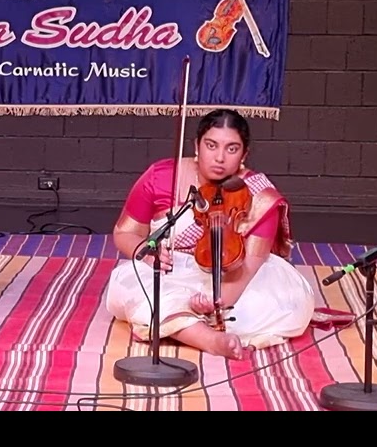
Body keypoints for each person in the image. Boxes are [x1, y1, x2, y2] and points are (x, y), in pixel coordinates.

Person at [106, 108, 315, 360]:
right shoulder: (161, 176)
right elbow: (124, 233)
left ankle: (180, 325)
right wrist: (147, 251)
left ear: (244, 154)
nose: (219, 158)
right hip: (170, 271)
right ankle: (210, 339)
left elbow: (250, 265)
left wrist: (215, 301)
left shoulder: (260, 195)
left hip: (234, 275)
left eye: (231, 148)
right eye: (211, 145)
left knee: (276, 306)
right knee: (126, 284)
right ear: (197, 145)